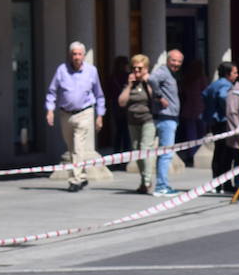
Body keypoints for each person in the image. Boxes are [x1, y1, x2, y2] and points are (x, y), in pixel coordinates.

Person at [44, 41, 105, 192]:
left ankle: (75, 180)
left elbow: (99, 94)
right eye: (74, 54)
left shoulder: (91, 71)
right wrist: (50, 110)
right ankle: (82, 176)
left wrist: (100, 115)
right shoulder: (62, 70)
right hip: (66, 113)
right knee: (71, 147)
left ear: (84, 56)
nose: (77, 57)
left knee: (78, 146)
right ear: (70, 56)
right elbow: (52, 91)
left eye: (79, 54)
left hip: (84, 112)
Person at [118, 54, 157, 194]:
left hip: (148, 119)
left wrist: (147, 83)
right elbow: (121, 102)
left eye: (140, 68)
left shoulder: (150, 81)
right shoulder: (131, 82)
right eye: (134, 68)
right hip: (132, 120)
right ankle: (143, 180)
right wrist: (129, 85)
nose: (136, 71)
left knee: (145, 147)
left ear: (146, 69)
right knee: (136, 150)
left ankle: (147, 180)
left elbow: (155, 98)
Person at [149, 49, 184, 197]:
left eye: (179, 62)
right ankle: (161, 186)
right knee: (166, 153)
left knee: (164, 153)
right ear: (168, 60)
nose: (176, 64)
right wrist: (159, 96)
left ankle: (162, 184)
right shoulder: (163, 71)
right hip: (166, 117)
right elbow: (151, 79)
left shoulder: (170, 74)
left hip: (170, 117)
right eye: (173, 60)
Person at [205, 62, 238, 180]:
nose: (237, 75)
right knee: (226, 153)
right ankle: (224, 181)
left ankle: (216, 179)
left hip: (214, 122)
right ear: (227, 74)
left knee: (218, 151)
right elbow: (224, 98)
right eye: (234, 73)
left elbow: (204, 95)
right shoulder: (226, 85)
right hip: (224, 122)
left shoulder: (214, 84)